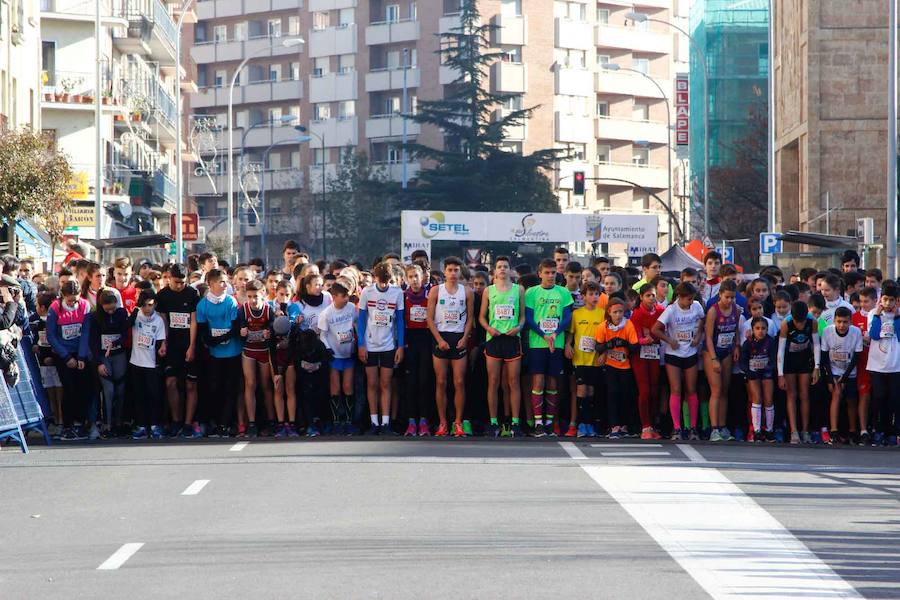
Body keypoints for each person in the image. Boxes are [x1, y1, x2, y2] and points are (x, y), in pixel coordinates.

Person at [524, 258, 574, 437]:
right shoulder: (531, 292)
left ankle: (550, 423)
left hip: (557, 343)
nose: (550, 275)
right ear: (540, 274)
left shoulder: (563, 293)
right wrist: (544, 335)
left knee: (553, 382)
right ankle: (538, 423)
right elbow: (529, 319)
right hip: (537, 343)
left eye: (553, 272)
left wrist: (555, 333)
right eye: (547, 272)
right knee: (538, 382)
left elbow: (567, 318)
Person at [427, 257, 475, 437]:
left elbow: (470, 318)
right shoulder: (435, 291)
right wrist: (439, 339)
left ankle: (458, 422)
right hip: (441, 337)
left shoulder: (467, 292)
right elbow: (429, 319)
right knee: (441, 381)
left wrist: (465, 337)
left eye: (456, 270)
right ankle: (442, 422)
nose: (453, 273)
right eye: (450, 270)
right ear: (444, 272)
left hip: (459, 338)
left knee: (459, 382)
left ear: (460, 271)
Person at [480, 256, 526, 438]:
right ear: (495, 270)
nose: (502, 269)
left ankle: (515, 423)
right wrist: (489, 328)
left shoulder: (518, 289)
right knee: (493, 381)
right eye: (499, 267)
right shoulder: (488, 290)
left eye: (505, 266)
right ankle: (493, 423)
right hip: (494, 339)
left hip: (512, 338)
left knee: (513, 381)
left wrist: (518, 327)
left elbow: (522, 316)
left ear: (510, 270)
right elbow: (481, 317)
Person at [652, 282, 704, 441]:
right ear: (679, 297)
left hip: (690, 352)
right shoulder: (671, 310)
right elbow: (655, 329)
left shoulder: (696, 306)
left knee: (691, 389)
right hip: (673, 354)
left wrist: (698, 335)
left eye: (692, 298)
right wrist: (669, 340)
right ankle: (677, 428)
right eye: (687, 299)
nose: (690, 302)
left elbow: (702, 319)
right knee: (676, 389)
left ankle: (693, 427)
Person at [357, 261, 405, 435]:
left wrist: (400, 346)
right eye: (380, 280)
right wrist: (361, 345)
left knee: (386, 383)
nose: (383, 284)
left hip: (388, 345)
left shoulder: (397, 292)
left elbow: (400, 320)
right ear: (375, 277)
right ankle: (373, 422)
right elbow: (361, 320)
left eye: (386, 281)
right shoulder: (367, 292)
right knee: (372, 383)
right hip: (370, 344)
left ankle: (386, 423)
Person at [156, 264, 201, 438]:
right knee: (171, 383)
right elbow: (163, 321)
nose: (179, 285)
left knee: (191, 384)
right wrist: (164, 343)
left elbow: (194, 321)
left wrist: (192, 346)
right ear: (169, 279)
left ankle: (188, 423)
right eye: (176, 282)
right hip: (172, 345)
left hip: (188, 343)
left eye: (182, 282)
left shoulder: (192, 294)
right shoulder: (163, 295)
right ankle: (176, 420)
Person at [196, 268, 242, 437]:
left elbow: (235, 327)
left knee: (231, 388)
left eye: (225, 281)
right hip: (215, 354)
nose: (225, 285)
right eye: (221, 282)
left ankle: (226, 423)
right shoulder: (203, 305)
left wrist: (220, 339)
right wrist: (211, 341)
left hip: (232, 352)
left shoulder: (230, 302)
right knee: (215, 388)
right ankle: (214, 421)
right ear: (211, 284)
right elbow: (202, 329)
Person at [46, 280, 92, 440]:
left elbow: (86, 332)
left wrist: (81, 356)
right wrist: (66, 357)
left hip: (79, 352)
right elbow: (51, 335)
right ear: (63, 296)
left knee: (82, 388)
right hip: (63, 354)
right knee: (69, 388)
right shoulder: (55, 308)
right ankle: (67, 425)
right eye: (70, 300)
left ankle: (80, 423)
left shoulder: (85, 306)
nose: (73, 303)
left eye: (76, 299)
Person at [594, 296, 639, 439]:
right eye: (615, 312)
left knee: (626, 396)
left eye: (620, 312)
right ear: (609, 312)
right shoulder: (603, 326)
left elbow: (634, 346)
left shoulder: (628, 325)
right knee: (612, 395)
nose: (618, 315)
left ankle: (625, 426)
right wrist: (609, 345)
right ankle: (614, 426)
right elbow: (598, 345)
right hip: (610, 366)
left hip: (625, 366)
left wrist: (623, 343)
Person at [86, 290, 129, 437]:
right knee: (108, 390)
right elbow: (92, 342)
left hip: (119, 354)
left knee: (121, 390)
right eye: (107, 309)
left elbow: (125, 334)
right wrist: (98, 363)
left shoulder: (121, 313)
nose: (111, 312)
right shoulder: (95, 317)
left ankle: (119, 422)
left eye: (113, 308)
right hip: (103, 356)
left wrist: (116, 342)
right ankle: (108, 423)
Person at [777, 300, 821, 444]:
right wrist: (780, 374)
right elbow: (781, 350)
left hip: (804, 358)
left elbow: (816, 344)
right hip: (789, 359)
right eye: (798, 322)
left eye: (802, 322)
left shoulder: (812, 321)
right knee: (791, 394)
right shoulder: (786, 323)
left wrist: (816, 367)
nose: (800, 325)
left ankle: (805, 430)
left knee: (804, 394)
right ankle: (793, 431)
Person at [318, 282, 358, 435]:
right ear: (334, 297)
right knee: (335, 388)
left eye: (348, 295)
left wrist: (358, 343)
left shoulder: (352, 308)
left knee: (348, 386)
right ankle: (336, 421)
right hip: (335, 355)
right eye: (343, 296)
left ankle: (348, 421)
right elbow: (322, 335)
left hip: (349, 353)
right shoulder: (326, 314)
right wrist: (328, 349)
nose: (347, 299)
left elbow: (356, 324)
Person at [566, 281, 604, 437]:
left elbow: (606, 336)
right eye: (591, 294)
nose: (594, 297)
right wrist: (568, 345)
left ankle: (590, 424)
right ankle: (581, 424)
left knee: (591, 391)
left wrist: (604, 353)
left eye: (597, 294)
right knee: (581, 390)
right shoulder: (577, 314)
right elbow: (571, 333)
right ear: (583, 296)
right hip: (580, 358)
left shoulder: (602, 313)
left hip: (595, 359)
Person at [704, 279, 741, 442]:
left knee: (725, 389)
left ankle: (723, 426)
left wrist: (737, 346)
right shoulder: (713, 311)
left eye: (733, 297)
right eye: (727, 297)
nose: (730, 301)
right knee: (716, 390)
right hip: (712, 352)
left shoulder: (736, 309)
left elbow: (736, 329)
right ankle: (714, 429)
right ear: (720, 295)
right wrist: (713, 359)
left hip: (727, 351)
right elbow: (708, 337)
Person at [820, 306, 863, 445]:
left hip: (849, 371)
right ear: (834, 321)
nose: (841, 325)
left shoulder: (856, 333)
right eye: (839, 321)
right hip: (833, 370)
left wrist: (845, 377)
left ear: (850, 321)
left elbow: (856, 357)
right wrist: (830, 378)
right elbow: (824, 357)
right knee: (836, 394)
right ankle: (833, 431)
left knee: (851, 400)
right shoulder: (827, 332)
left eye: (845, 322)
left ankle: (852, 431)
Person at [128, 289, 167, 440]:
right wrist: (134, 311)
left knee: (154, 395)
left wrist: (161, 354)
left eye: (150, 305)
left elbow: (160, 341)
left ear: (155, 304)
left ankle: (154, 425)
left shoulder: (158, 321)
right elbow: (126, 325)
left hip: (151, 364)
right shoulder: (136, 315)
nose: (147, 309)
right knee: (139, 395)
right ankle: (142, 425)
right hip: (136, 362)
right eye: (144, 305)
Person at [238, 279, 274, 438]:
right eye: (250, 296)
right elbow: (237, 328)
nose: (252, 300)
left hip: (264, 351)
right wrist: (241, 331)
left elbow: (274, 327)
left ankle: (271, 421)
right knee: (250, 383)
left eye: (256, 297)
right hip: (249, 351)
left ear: (263, 295)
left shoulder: (268, 310)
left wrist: (269, 332)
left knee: (266, 385)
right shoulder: (243, 310)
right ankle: (251, 423)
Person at [867, 285, 900, 446]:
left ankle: (892, 431)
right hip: (877, 364)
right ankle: (878, 429)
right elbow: (873, 335)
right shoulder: (873, 314)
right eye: (885, 299)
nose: (887, 303)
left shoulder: (899, 315)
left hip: (895, 364)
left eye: (891, 300)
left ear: (896, 301)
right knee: (878, 397)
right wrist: (878, 316)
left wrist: (897, 317)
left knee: (894, 398)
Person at [402, 263, 433, 436]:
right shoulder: (403, 296)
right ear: (406, 279)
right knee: (410, 383)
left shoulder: (430, 295)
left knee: (424, 382)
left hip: (426, 340)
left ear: (422, 278)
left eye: (417, 276)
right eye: (411, 277)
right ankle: (411, 421)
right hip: (409, 341)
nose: (414, 280)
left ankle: (424, 421)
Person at [630, 283, 664, 440]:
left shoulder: (660, 311)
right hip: (640, 357)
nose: (651, 298)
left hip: (655, 356)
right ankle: (645, 427)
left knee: (654, 390)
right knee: (644, 391)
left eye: (653, 295)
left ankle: (653, 425)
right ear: (641, 297)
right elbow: (635, 338)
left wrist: (653, 337)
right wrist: (646, 340)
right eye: (648, 295)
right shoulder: (636, 314)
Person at [739, 316, 778, 442]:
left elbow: (773, 360)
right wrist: (748, 372)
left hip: (766, 373)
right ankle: (756, 430)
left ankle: (769, 430)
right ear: (752, 329)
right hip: (753, 374)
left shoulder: (771, 342)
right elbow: (743, 362)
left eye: (763, 328)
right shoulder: (748, 343)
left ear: (767, 329)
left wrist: (768, 369)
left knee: (769, 399)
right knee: (756, 399)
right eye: (757, 328)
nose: (760, 331)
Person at [852, 287, 876, 445]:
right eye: (861, 301)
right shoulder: (853, 318)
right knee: (864, 395)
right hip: (862, 363)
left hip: (880, 363)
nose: (863, 305)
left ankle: (876, 427)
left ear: (875, 301)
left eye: (866, 301)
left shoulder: (880, 316)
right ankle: (863, 430)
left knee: (879, 396)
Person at [269, 315, 299, 437]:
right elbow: (272, 352)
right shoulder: (271, 331)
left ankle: (291, 423)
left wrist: (281, 373)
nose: (280, 337)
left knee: (290, 389)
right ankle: (281, 423)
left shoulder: (294, 331)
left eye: (282, 335)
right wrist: (276, 373)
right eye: (278, 335)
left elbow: (291, 352)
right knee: (278, 390)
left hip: (289, 360)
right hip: (276, 359)